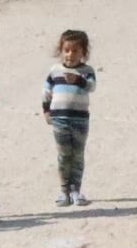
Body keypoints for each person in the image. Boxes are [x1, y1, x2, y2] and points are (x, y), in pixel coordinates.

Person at [41, 30, 96, 207]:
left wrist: (78, 80)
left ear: (83, 53)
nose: (70, 54)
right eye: (66, 50)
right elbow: (46, 92)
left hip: (80, 119)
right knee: (64, 155)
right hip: (59, 119)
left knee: (78, 155)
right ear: (61, 51)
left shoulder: (87, 71)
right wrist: (46, 111)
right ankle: (64, 191)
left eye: (75, 51)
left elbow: (91, 87)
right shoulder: (55, 71)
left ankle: (76, 190)